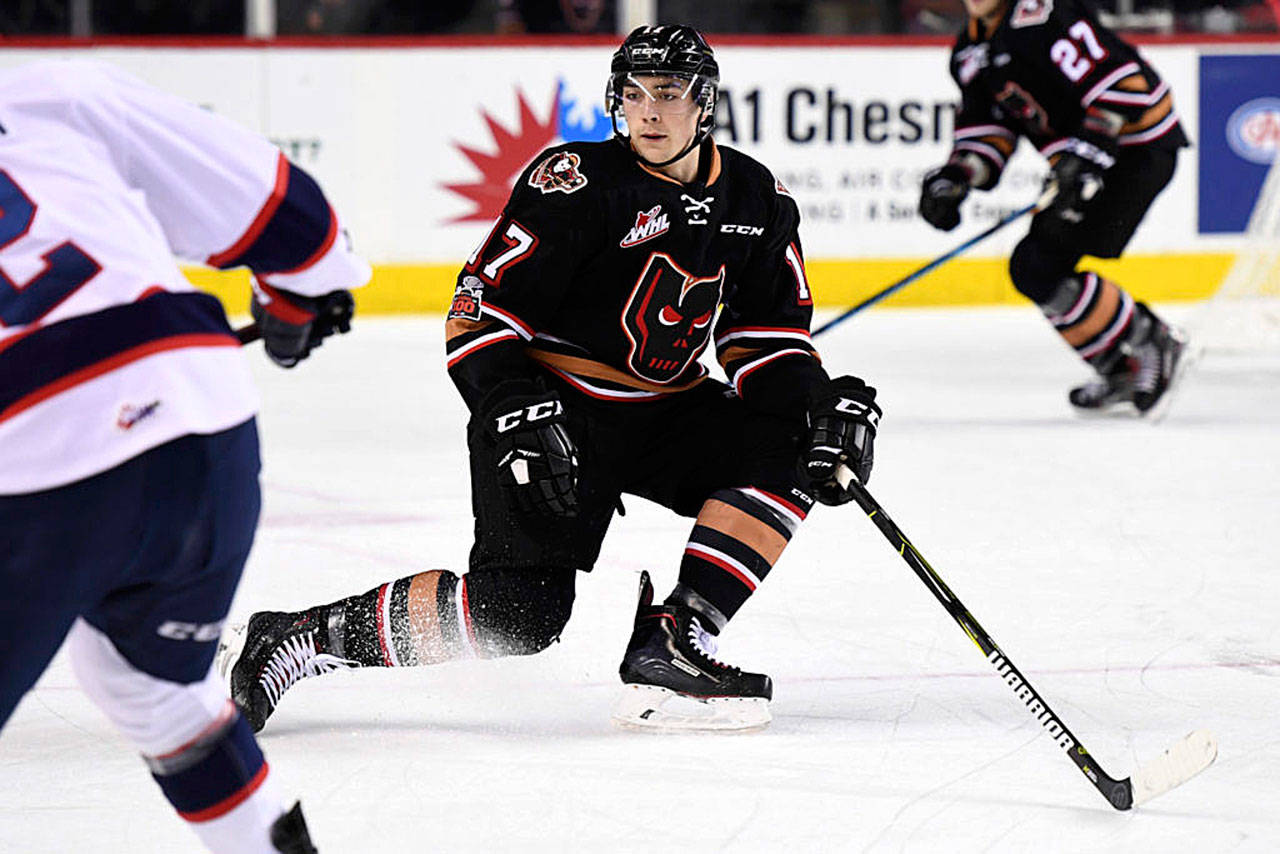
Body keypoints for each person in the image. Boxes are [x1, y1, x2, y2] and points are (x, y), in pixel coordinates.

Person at [217, 25, 882, 734]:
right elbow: (479, 316)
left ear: (704, 101)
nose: (648, 112)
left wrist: (817, 401)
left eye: (667, 93)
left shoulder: (756, 198)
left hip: (666, 410)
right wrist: (512, 405)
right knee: (518, 614)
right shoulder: (576, 182)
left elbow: (764, 340)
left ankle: (675, 640)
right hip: (556, 413)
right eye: (633, 95)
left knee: (796, 444)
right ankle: (296, 636)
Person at [0, 60, 370, 853]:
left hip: (36, 458)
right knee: (157, 695)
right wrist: (297, 297)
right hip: (202, 423)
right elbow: (295, 220)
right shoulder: (46, 96)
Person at [919, 0, 1189, 414]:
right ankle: (1119, 365)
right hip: (1085, 162)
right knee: (1035, 267)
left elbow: (1121, 83)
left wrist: (1086, 154)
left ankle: (1150, 339)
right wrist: (958, 177)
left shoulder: (1043, 14)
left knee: (1040, 262)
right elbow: (990, 127)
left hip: (1137, 150)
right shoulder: (967, 53)